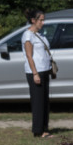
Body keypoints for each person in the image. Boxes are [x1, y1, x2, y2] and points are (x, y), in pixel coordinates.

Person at [22, 8, 53, 138]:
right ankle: (38, 130)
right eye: (41, 20)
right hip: (36, 72)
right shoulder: (28, 35)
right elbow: (29, 56)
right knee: (38, 102)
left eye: (43, 20)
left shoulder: (40, 34)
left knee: (45, 102)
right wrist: (35, 73)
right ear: (33, 20)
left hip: (44, 70)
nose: (43, 22)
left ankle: (44, 128)